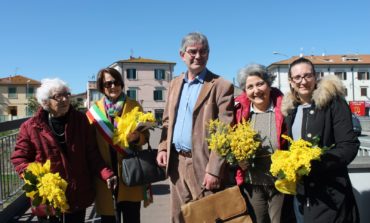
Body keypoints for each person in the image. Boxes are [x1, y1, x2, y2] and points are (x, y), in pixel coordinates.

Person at [11, 78, 116, 223]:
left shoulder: (80, 120)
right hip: (48, 197)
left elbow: (91, 153)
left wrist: (107, 174)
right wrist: (37, 178)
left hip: (77, 192)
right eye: (58, 96)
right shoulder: (30, 127)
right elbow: (19, 159)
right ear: (45, 102)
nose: (65, 99)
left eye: (67, 94)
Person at [156, 32, 234, 223]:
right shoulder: (174, 84)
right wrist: (163, 147)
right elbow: (167, 121)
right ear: (182, 55)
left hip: (202, 165)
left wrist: (215, 169)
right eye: (193, 52)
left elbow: (225, 132)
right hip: (176, 164)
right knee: (179, 217)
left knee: (206, 218)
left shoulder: (221, 86)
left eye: (203, 51)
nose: (198, 56)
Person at [281, 57, 360, 222]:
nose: (303, 81)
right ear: (290, 81)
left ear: (315, 76)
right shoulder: (291, 110)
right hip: (301, 194)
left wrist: (315, 163)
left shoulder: (333, 103)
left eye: (307, 75)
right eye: (297, 77)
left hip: (330, 194)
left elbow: (349, 146)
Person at [87, 67, 150, 223]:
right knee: (108, 219)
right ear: (102, 87)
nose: (113, 87)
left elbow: (146, 136)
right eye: (108, 84)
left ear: (121, 84)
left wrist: (137, 138)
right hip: (106, 175)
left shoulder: (134, 105)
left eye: (116, 82)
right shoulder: (94, 111)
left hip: (131, 172)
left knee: (132, 218)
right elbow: (90, 144)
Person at [234, 64, 287, 223]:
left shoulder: (285, 109)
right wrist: (237, 160)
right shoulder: (239, 113)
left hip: (280, 182)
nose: (256, 90)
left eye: (260, 84)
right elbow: (232, 145)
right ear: (245, 91)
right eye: (250, 87)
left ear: (269, 84)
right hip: (253, 183)